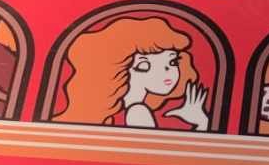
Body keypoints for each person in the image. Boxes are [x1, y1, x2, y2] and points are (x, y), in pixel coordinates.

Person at [53, 17, 211, 130]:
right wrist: (201, 123)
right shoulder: (138, 112)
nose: (168, 71)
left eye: (172, 62)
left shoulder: (129, 109)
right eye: (145, 65)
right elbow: (159, 161)